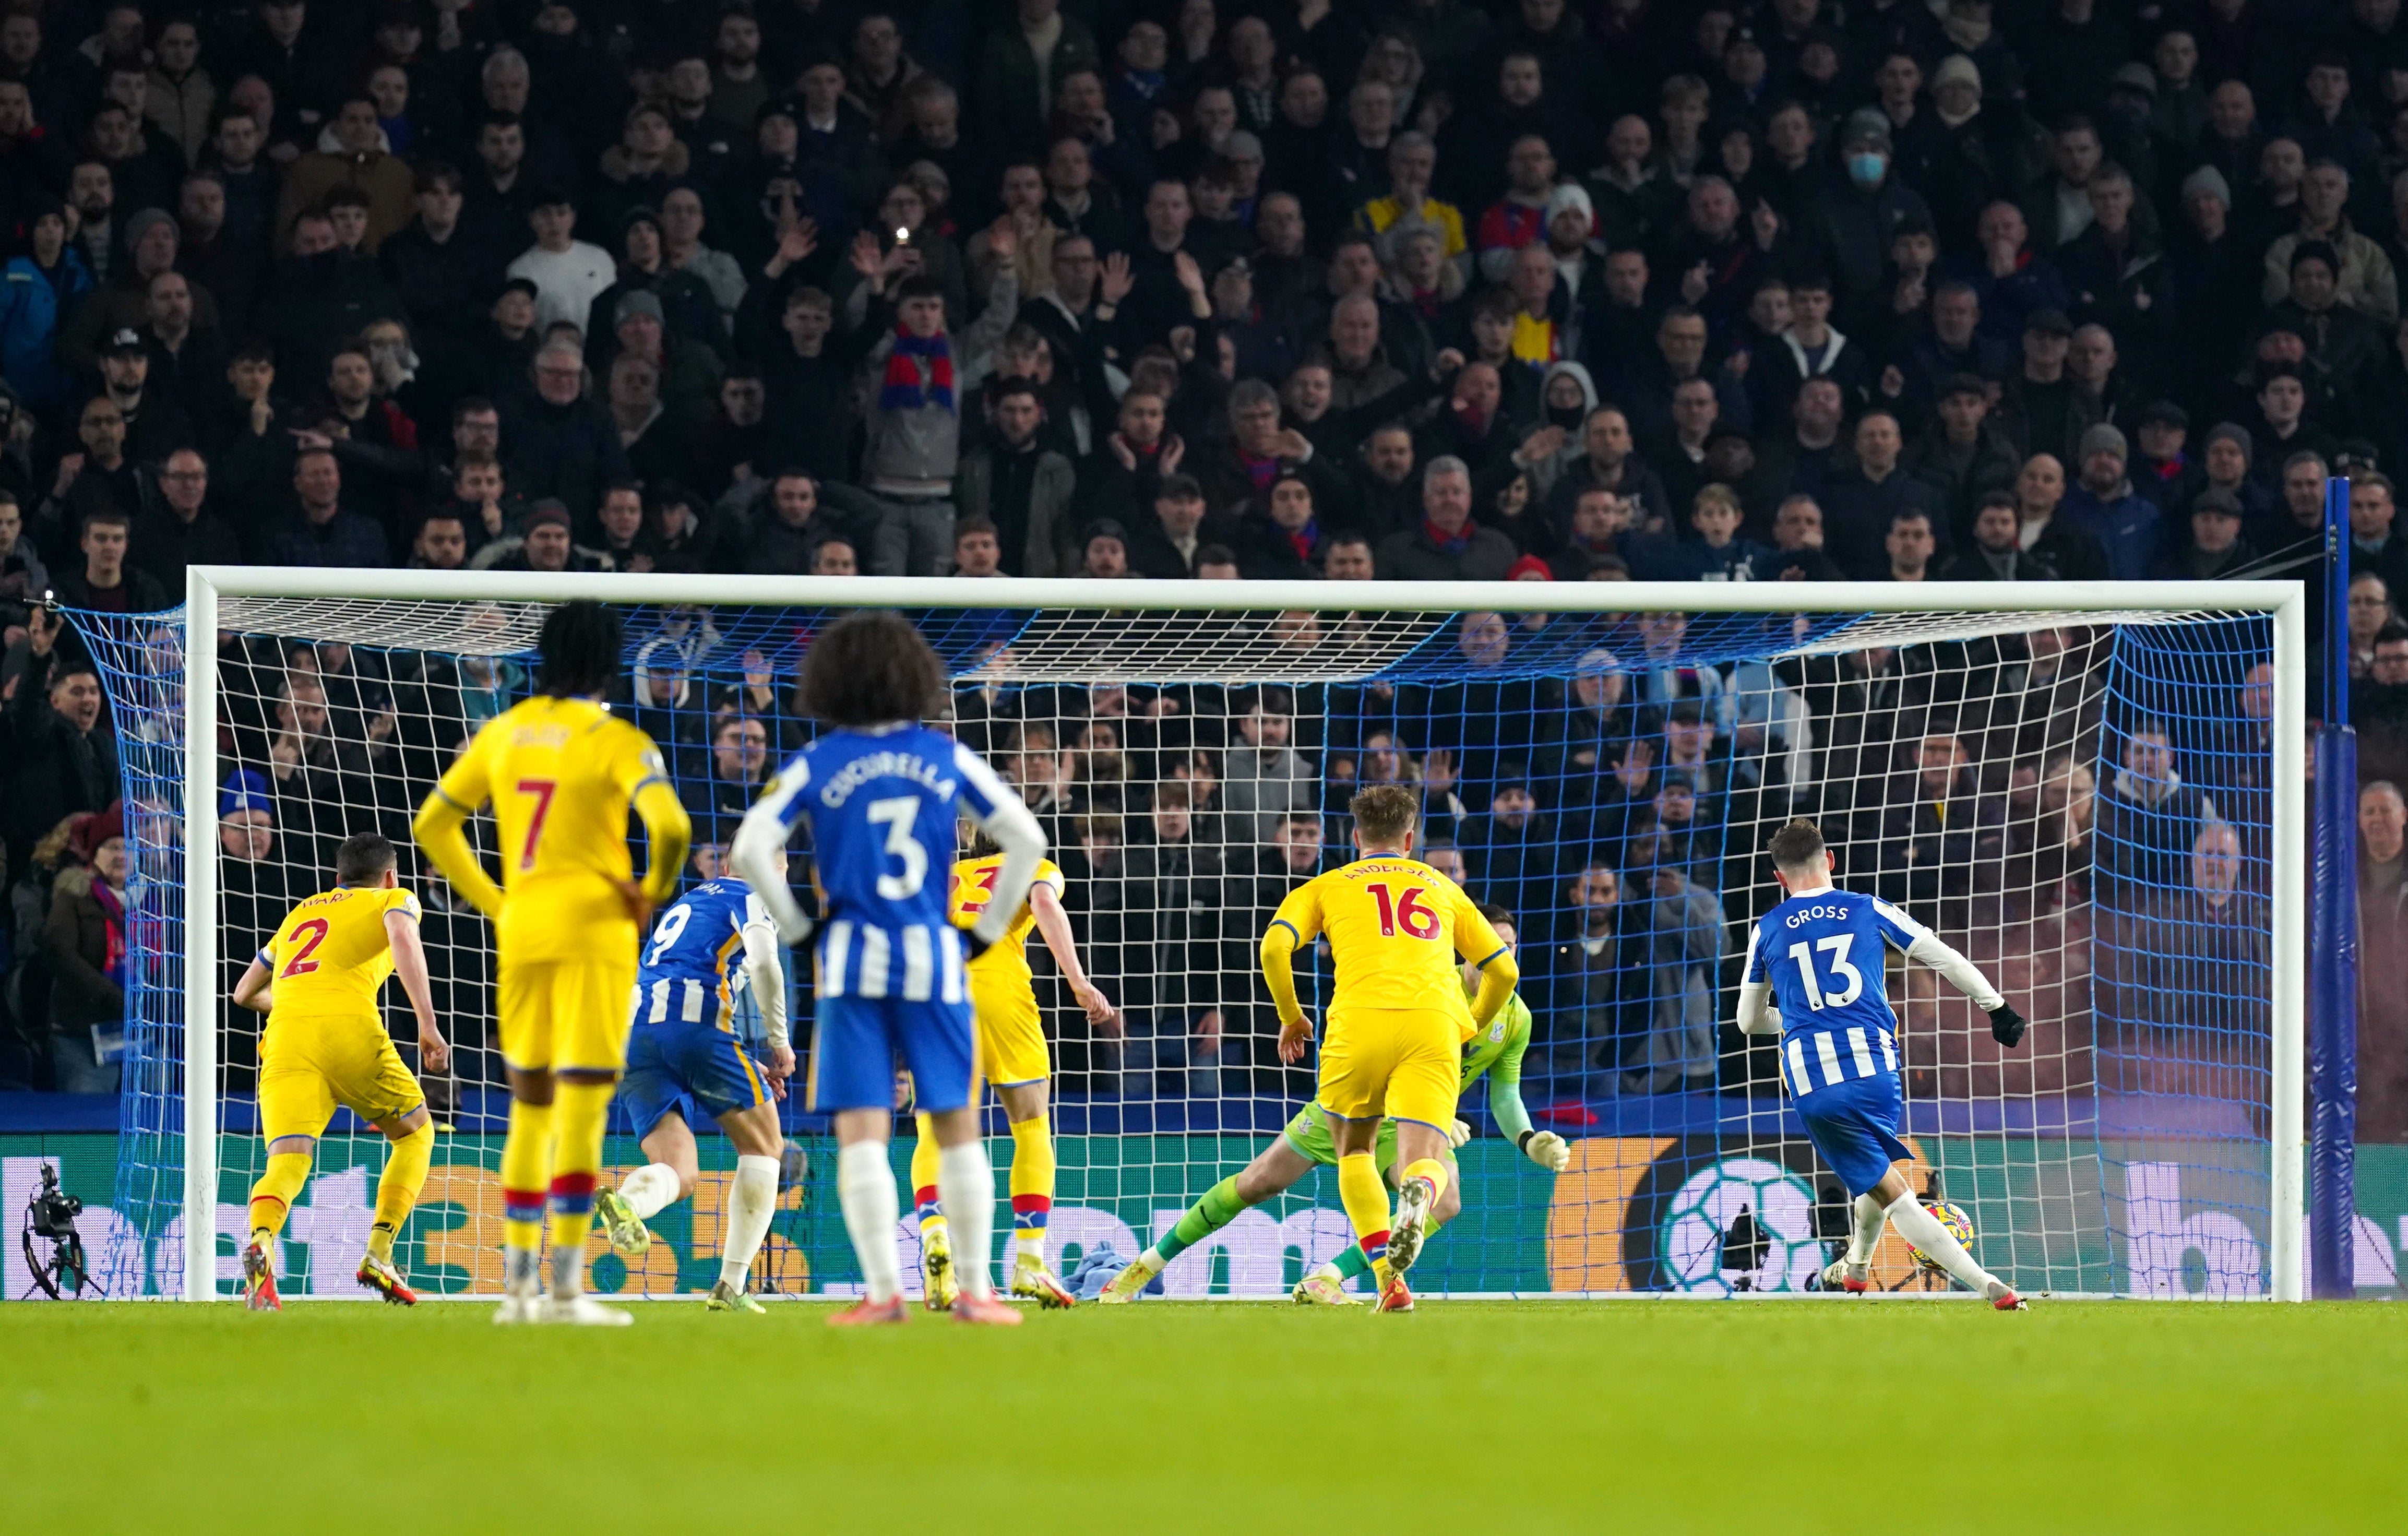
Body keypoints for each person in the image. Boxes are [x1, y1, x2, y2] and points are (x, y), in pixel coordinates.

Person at [729, 611, 1048, 1326]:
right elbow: (1027, 837)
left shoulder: (817, 760)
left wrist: (803, 928)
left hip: (850, 963)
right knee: (957, 1121)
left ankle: (882, 1293)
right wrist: (985, 932)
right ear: (915, 679)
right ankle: (976, 1290)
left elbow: (752, 849)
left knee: (864, 1127)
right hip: (936, 958)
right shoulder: (945, 757)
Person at [412, 603, 692, 1326]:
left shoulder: (503, 732)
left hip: (525, 927)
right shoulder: (615, 738)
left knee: (530, 1105)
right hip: (595, 930)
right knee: (584, 1103)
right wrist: (650, 892)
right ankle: (566, 1290)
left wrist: (497, 902)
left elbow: (431, 824)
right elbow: (673, 826)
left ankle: (516, 1292)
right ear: (607, 663)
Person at [1102, 901, 1566, 1305]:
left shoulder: (1516, 1016)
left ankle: (1328, 1276)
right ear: (1468, 948)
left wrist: (1527, 1139)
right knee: (1256, 1184)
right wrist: (1435, 1112)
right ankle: (1144, 1266)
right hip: (1355, 1103)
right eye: (1493, 945)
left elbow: (1504, 1092)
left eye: (1509, 946)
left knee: (1445, 1200)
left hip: (1410, 1120)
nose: (1501, 955)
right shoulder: (1431, 989)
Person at [1734, 818, 2030, 1308]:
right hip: (1877, 1070)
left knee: (1893, 1193)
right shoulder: (1868, 908)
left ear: (1778, 878)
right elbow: (1942, 956)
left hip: (1816, 1082)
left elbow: (1747, 1022)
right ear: (1830, 860)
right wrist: (1997, 1007)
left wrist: (1799, 1016)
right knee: (1874, 1172)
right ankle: (1856, 1268)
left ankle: (1987, 1284)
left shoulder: (1767, 930)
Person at [1255, 783, 1517, 1313]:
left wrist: (1292, 1017)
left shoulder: (1327, 885)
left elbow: (1274, 947)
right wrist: (1468, 1023)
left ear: (1355, 837)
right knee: (1426, 1159)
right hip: (1433, 1024)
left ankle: (1387, 1282)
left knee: (1355, 1150)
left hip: (1358, 1024)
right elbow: (1503, 969)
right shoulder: (1441, 885)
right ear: (1409, 837)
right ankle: (1417, 1195)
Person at [230, 834, 450, 1311]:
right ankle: (380, 1252)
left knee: (286, 1160)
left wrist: (295, 1004)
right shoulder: (395, 898)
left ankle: (263, 1240)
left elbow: (244, 993)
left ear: (337, 878)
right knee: (415, 1134)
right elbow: (403, 935)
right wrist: (428, 1025)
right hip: (348, 1029)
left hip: (285, 1038)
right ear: (390, 875)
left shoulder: (299, 914)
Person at [908, 826, 1115, 1312]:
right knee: (1030, 1126)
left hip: (935, 997)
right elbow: (1045, 904)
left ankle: (937, 1242)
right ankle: (1029, 1261)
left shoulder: (942, 876)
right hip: (1000, 993)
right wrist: (1079, 981)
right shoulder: (1032, 866)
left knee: (933, 1131)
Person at [592, 855, 794, 1315]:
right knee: (765, 1146)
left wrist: (743, 1062)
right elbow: (764, 964)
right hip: (695, 1022)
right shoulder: (752, 897)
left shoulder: (691, 900)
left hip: (636, 1035)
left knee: (680, 1173)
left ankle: (628, 1202)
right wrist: (778, 1042)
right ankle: (732, 1284)